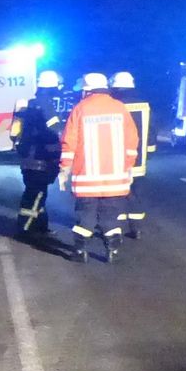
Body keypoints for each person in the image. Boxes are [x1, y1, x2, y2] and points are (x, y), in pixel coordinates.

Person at [59, 73, 139, 263]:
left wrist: (64, 169)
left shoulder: (80, 109)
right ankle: (112, 251)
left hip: (86, 179)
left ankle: (80, 252)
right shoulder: (120, 108)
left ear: (87, 90)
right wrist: (128, 166)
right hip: (115, 180)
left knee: (85, 217)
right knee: (110, 217)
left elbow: (69, 142)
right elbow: (132, 141)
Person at [10, 70, 65, 241]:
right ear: (52, 87)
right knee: (36, 195)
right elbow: (54, 133)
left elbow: (14, 133)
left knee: (37, 194)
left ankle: (40, 228)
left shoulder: (30, 104)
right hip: (41, 159)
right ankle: (25, 230)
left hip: (28, 157)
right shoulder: (47, 106)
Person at [109, 71, 155, 238]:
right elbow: (151, 131)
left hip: (117, 159)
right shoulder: (145, 105)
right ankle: (136, 229)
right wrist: (148, 153)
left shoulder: (113, 104)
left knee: (116, 194)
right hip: (139, 160)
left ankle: (116, 227)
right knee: (136, 193)